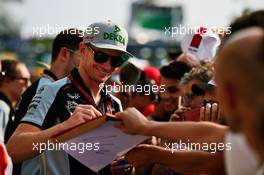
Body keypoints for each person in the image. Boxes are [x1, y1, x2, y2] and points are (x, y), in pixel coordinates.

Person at [115, 27, 264, 175]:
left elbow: (212, 160)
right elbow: (215, 137)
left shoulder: (251, 137)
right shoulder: (247, 132)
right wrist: (163, 139)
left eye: (193, 95)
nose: (184, 103)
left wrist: (149, 134)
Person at [7, 20, 132, 175]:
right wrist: (65, 127)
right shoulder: (53, 91)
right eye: (100, 56)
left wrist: (121, 166)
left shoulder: (115, 103)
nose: (107, 66)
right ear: (83, 50)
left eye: (116, 60)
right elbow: (13, 149)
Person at [5, 28, 83, 175]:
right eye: (82, 55)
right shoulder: (46, 88)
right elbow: (15, 148)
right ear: (65, 53)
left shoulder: (52, 87)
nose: (86, 62)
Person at [0, 59, 31, 143]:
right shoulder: (2, 107)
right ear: (7, 80)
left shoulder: (6, 107)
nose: (29, 84)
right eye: (24, 80)